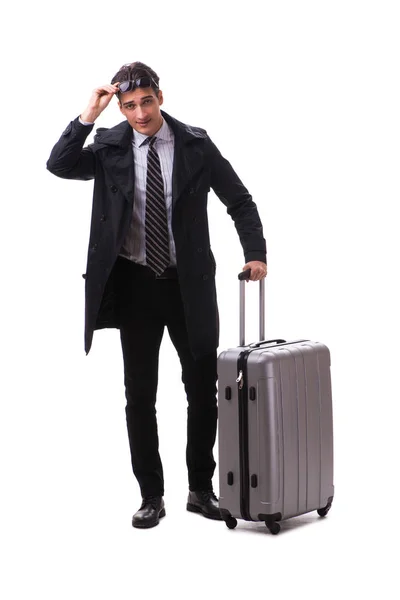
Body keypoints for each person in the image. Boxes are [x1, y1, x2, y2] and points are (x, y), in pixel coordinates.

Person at [46, 61, 267, 529]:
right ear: (120, 107)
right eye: (129, 106)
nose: (140, 113)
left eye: (146, 101)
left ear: (160, 97)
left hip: (189, 285)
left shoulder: (195, 145)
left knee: (204, 390)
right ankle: (151, 495)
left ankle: (200, 489)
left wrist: (255, 253)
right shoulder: (108, 147)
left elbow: (239, 200)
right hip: (135, 286)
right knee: (139, 395)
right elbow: (60, 164)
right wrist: (88, 115)